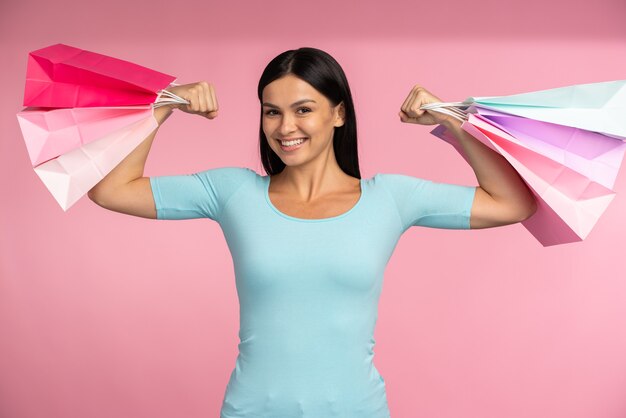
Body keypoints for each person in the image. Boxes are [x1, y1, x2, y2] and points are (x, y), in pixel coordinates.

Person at [87, 47, 536, 418]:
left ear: (339, 113)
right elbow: (111, 190)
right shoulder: (232, 191)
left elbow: (513, 203)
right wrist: (162, 104)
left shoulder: (392, 198)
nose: (285, 128)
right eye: (272, 112)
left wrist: (451, 119)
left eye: (304, 110)